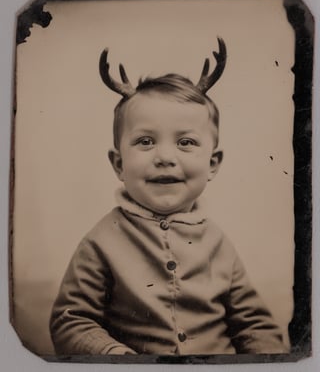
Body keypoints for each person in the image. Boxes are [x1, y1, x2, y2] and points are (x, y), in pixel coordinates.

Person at [50, 39, 287, 356]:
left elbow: (254, 324)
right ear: (119, 164)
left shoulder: (218, 243)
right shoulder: (101, 241)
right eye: (146, 141)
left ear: (212, 164)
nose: (164, 157)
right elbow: (72, 320)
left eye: (186, 142)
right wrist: (114, 355)